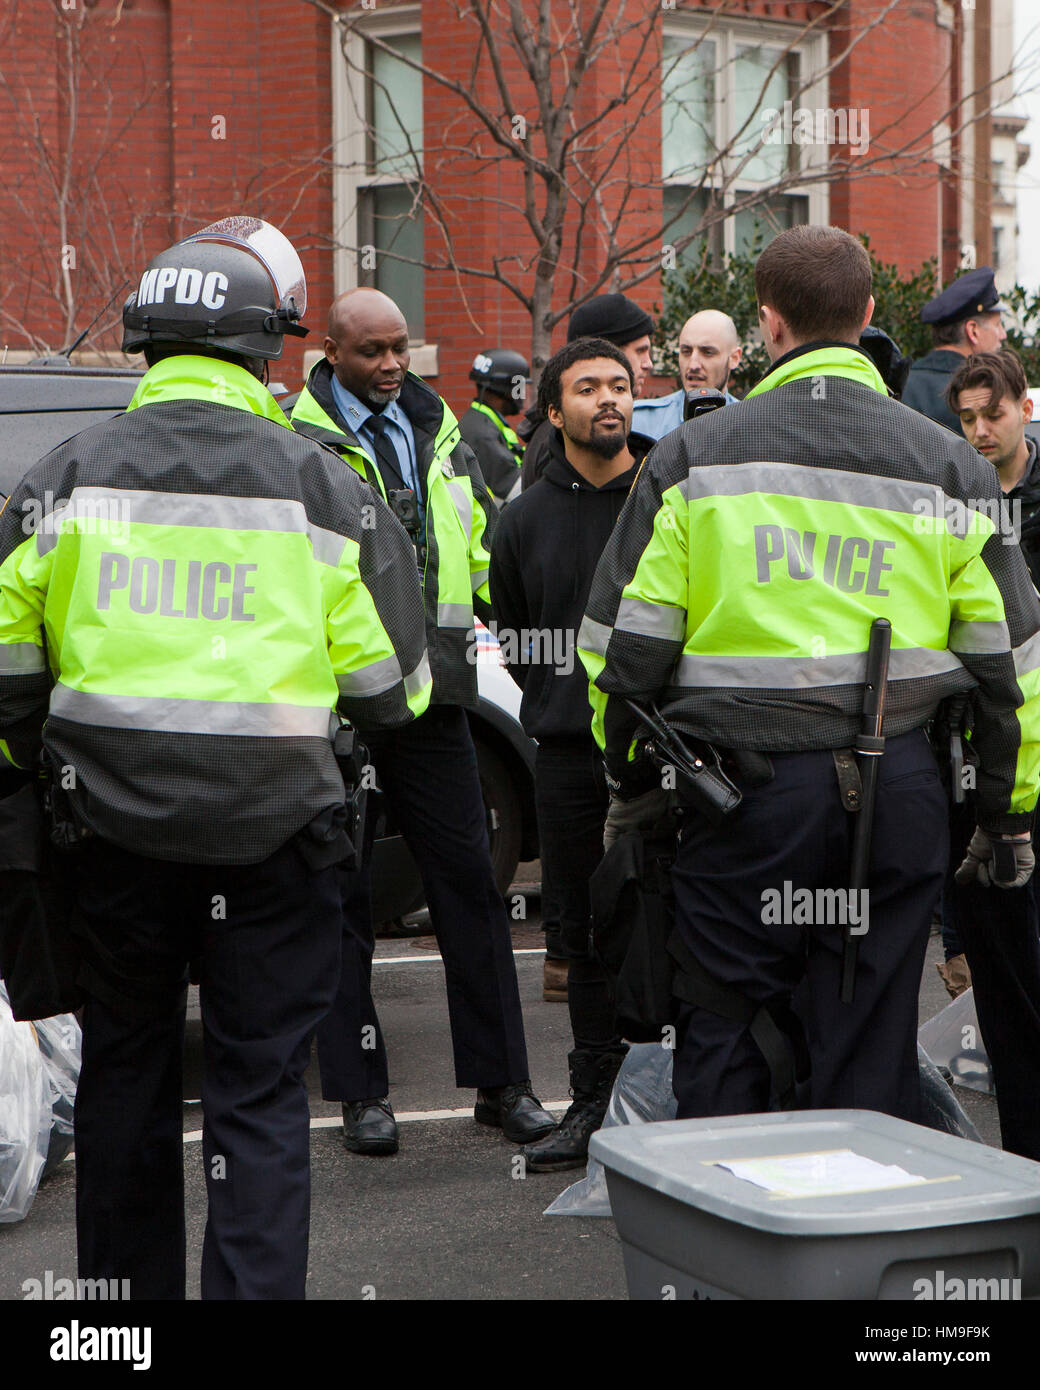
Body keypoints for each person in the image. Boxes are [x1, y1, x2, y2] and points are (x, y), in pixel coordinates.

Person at [0, 219, 431, 1299]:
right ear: (265, 348)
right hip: (277, 848)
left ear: (147, 342)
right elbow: (397, 693)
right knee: (255, 1096)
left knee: (127, 1082)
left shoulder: (63, 477)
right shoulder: (323, 485)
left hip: (110, 843)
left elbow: (8, 681)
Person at [578, 224, 1040, 1124]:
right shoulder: (949, 463)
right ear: (869, 315)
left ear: (767, 325)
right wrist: (1006, 817)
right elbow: (1012, 667)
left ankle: (733, 1255)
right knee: (868, 1044)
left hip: (741, 802)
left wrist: (630, 786)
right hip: (899, 789)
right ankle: (849, 1255)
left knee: (725, 1027)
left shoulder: (693, 459)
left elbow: (616, 655)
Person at [290, 288, 554, 1155]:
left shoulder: (438, 430)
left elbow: (475, 542)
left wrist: (509, 627)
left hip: (438, 693)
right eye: (372, 351)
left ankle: (503, 1086)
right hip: (343, 699)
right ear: (330, 352)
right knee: (344, 901)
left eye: (402, 346)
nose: (393, 363)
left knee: (471, 887)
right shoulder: (298, 444)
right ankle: (362, 1095)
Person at [490, 339, 655, 1170]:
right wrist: (562, 701)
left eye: (619, 385)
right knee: (585, 934)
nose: (608, 399)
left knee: (674, 921)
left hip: (665, 751)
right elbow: (517, 633)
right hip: (567, 756)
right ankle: (592, 1102)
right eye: (587, 388)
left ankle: (677, 1094)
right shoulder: (521, 520)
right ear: (554, 413)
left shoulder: (667, 498)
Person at [939, 348, 1040, 1159]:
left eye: (991, 414)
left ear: (1022, 408)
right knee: (1009, 1003)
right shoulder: (951, 503)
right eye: (966, 418)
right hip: (986, 773)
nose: (979, 431)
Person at [519, 293, 654, 488]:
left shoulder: (557, 431)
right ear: (606, 352)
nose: (648, 364)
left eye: (618, 389)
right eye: (640, 351)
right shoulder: (561, 440)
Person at [901, 265, 1008, 433]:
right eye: (998, 325)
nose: (1003, 335)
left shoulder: (902, 384)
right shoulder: (985, 392)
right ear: (973, 331)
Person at [632, 309, 742, 441]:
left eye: (707, 352)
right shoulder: (641, 422)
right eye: (686, 351)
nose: (693, 365)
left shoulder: (751, 425)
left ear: (734, 358)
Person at [458, 349, 529, 506]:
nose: (522, 393)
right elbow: (521, 493)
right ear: (506, 389)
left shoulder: (480, 420)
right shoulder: (483, 435)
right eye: (520, 386)